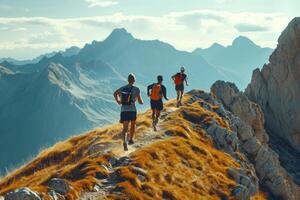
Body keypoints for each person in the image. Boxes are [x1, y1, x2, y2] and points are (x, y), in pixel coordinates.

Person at [113, 73, 144, 151]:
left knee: (125, 128)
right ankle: (131, 139)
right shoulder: (136, 89)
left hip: (124, 111)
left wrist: (118, 101)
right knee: (133, 125)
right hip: (132, 110)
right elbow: (140, 102)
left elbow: (115, 93)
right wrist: (141, 101)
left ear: (128, 80)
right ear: (134, 80)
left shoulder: (122, 88)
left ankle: (124, 142)